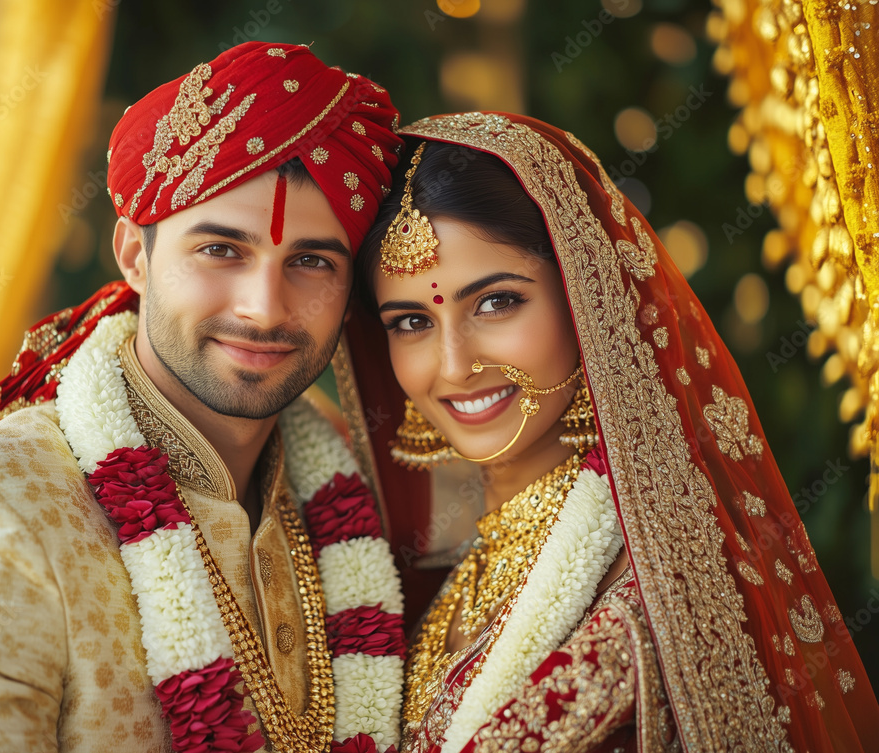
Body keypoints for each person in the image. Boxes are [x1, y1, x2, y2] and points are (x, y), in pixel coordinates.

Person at [0, 43, 408, 753]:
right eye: (221, 249)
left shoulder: (350, 486)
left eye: (311, 261)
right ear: (134, 254)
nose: (262, 306)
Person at [337, 112, 879, 752]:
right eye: (409, 322)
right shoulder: (447, 574)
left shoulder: (647, 609)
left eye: (496, 302)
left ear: (586, 295)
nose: (454, 366)